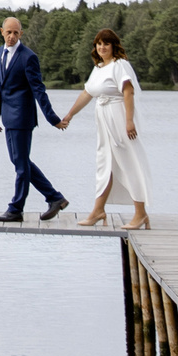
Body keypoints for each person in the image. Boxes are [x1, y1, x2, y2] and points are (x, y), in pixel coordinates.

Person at [56, 28, 152, 229]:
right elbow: (87, 93)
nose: (102, 47)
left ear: (113, 46)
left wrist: (129, 121)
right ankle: (98, 211)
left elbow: (128, 92)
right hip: (103, 121)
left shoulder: (120, 65)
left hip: (119, 118)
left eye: (106, 43)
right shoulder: (99, 68)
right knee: (104, 164)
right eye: (99, 44)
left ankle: (141, 214)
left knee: (129, 163)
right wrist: (70, 114)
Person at [0, 15, 69, 223]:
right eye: (8, 32)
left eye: (16, 33)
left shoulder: (28, 57)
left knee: (21, 165)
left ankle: (16, 209)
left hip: (22, 118)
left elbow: (39, 91)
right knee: (19, 161)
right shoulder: (1, 52)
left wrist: (53, 118)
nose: (12, 36)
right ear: (2, 32)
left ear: (21, 34)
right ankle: (55, 197)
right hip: (7, 116)